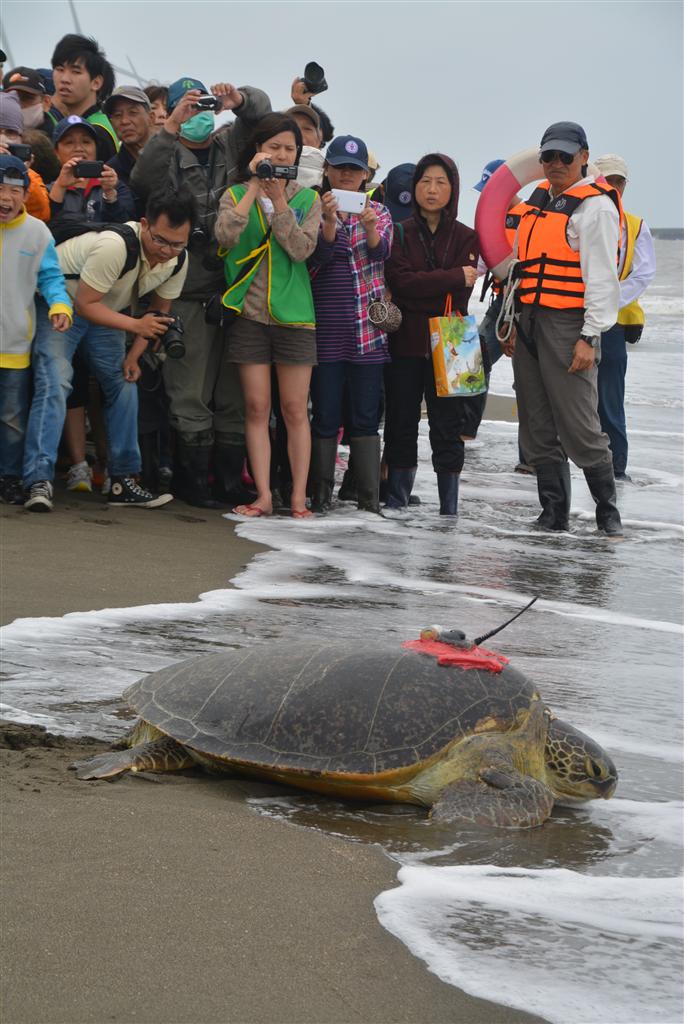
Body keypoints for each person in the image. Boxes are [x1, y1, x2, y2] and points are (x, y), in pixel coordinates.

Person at [130, 75, 272, 508]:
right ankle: (193, 484)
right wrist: (170, 126)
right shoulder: (164, 151)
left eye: (204, 106)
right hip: (184, 288)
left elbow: (263, 114)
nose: (198, 115)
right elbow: (141, 183)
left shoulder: (231, 144)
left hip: (233, 289)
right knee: (188, 388)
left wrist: (239, 99)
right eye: (188, 106)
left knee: (232, 391)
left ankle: (227, 482)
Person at [22, 188, 194, 512]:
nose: (167, 250)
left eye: (177, 244)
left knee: (124, 381)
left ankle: (123, 479)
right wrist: (135, 327)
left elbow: (157, 314)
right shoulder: (117, 245)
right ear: (144, 224)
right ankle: (37, 479)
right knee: (55, 381)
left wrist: (134, 356)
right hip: (60, 305)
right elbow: (84, 305)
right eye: (160, 240)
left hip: (106, 312)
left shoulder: (178, 260)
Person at [502, 121, 623, 536]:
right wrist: (510, 321)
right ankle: (553, 513)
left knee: (578, 423)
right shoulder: (537, 202)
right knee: (535, 423)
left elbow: (604, 278)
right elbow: (516, 266)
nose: (556, 163)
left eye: (565, 156)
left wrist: (591, 336)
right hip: (527, 320)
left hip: (569, 323)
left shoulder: (596, 207)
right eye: (549, 156)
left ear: (584, 157)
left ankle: (608, 513)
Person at [214, 113, 320, 518]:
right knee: (257, 408)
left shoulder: (307, 199)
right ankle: (263, 495)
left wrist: (279, 201)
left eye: (288, 148)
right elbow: (226, 235)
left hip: (295, 317)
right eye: (273, 146)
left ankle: (296, 498)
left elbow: (299, 249)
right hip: (249, 314)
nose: (280, 154)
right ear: (257, 149)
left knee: (295, 410)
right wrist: (256, 186)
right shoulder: (235, 193)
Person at [384, 154, 479, 515]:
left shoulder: (467, 236)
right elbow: (401, 282)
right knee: (401, 420)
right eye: (425, 181)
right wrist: (453, 276)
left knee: (449, 426)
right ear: (414, 187)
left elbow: (465, 294)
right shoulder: (399, 231)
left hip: (456, 338)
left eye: (440, 181)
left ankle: (449, 510)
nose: (432, 189)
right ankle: (397, 501)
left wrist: (434, 286)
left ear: (452, 188)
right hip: (406, 336)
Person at [0, 155, 72, 505]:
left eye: (14, 191)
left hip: (13, 342)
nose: (5, 198)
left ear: (26, 194)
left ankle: (9, 477)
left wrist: (60, 305)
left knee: (12, 419)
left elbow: (51, 278)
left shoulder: (37, 232)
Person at [594, 153, 656, 481]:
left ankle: (617, 467)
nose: (613, 187)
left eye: (618, 181)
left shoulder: (635, 224)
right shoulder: (578, 215)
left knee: (610, 395)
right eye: (608, 181)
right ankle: (546, 463)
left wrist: (609, 298)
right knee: (563, 394)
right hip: (571, 315)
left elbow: (644, 272)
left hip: (611, 321)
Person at [48, 115, 135, 235]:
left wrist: (110, 195)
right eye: (69, 143)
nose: (79, 148)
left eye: (86, 142)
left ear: (96, 148)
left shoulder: (116, 186)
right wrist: (60, 187)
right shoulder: (46, 189)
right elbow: (44, 229)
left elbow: (126, 229)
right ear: (56, 152)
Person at [46, 34, 118, 159]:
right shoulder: (66, 123)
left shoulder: (98, 131)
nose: (64, 79)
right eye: (60, 69)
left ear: (96, 83)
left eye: (76, 72)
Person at [0, 90, 50, 221]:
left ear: (20, 139)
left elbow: (42, 213)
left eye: (10, 132)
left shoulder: (28, 174)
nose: (3, 138)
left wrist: (22, 174)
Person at [103, 87, 154, 197]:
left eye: (133, 113)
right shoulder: (110, 173)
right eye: (117, 115)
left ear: (151, 118)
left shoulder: (174, 157)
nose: (124, 121)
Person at [2, 66, 53, 137]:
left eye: (27, 98)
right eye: (12, 99)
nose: (19, 106)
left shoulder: (63, 138)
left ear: (46, 102)